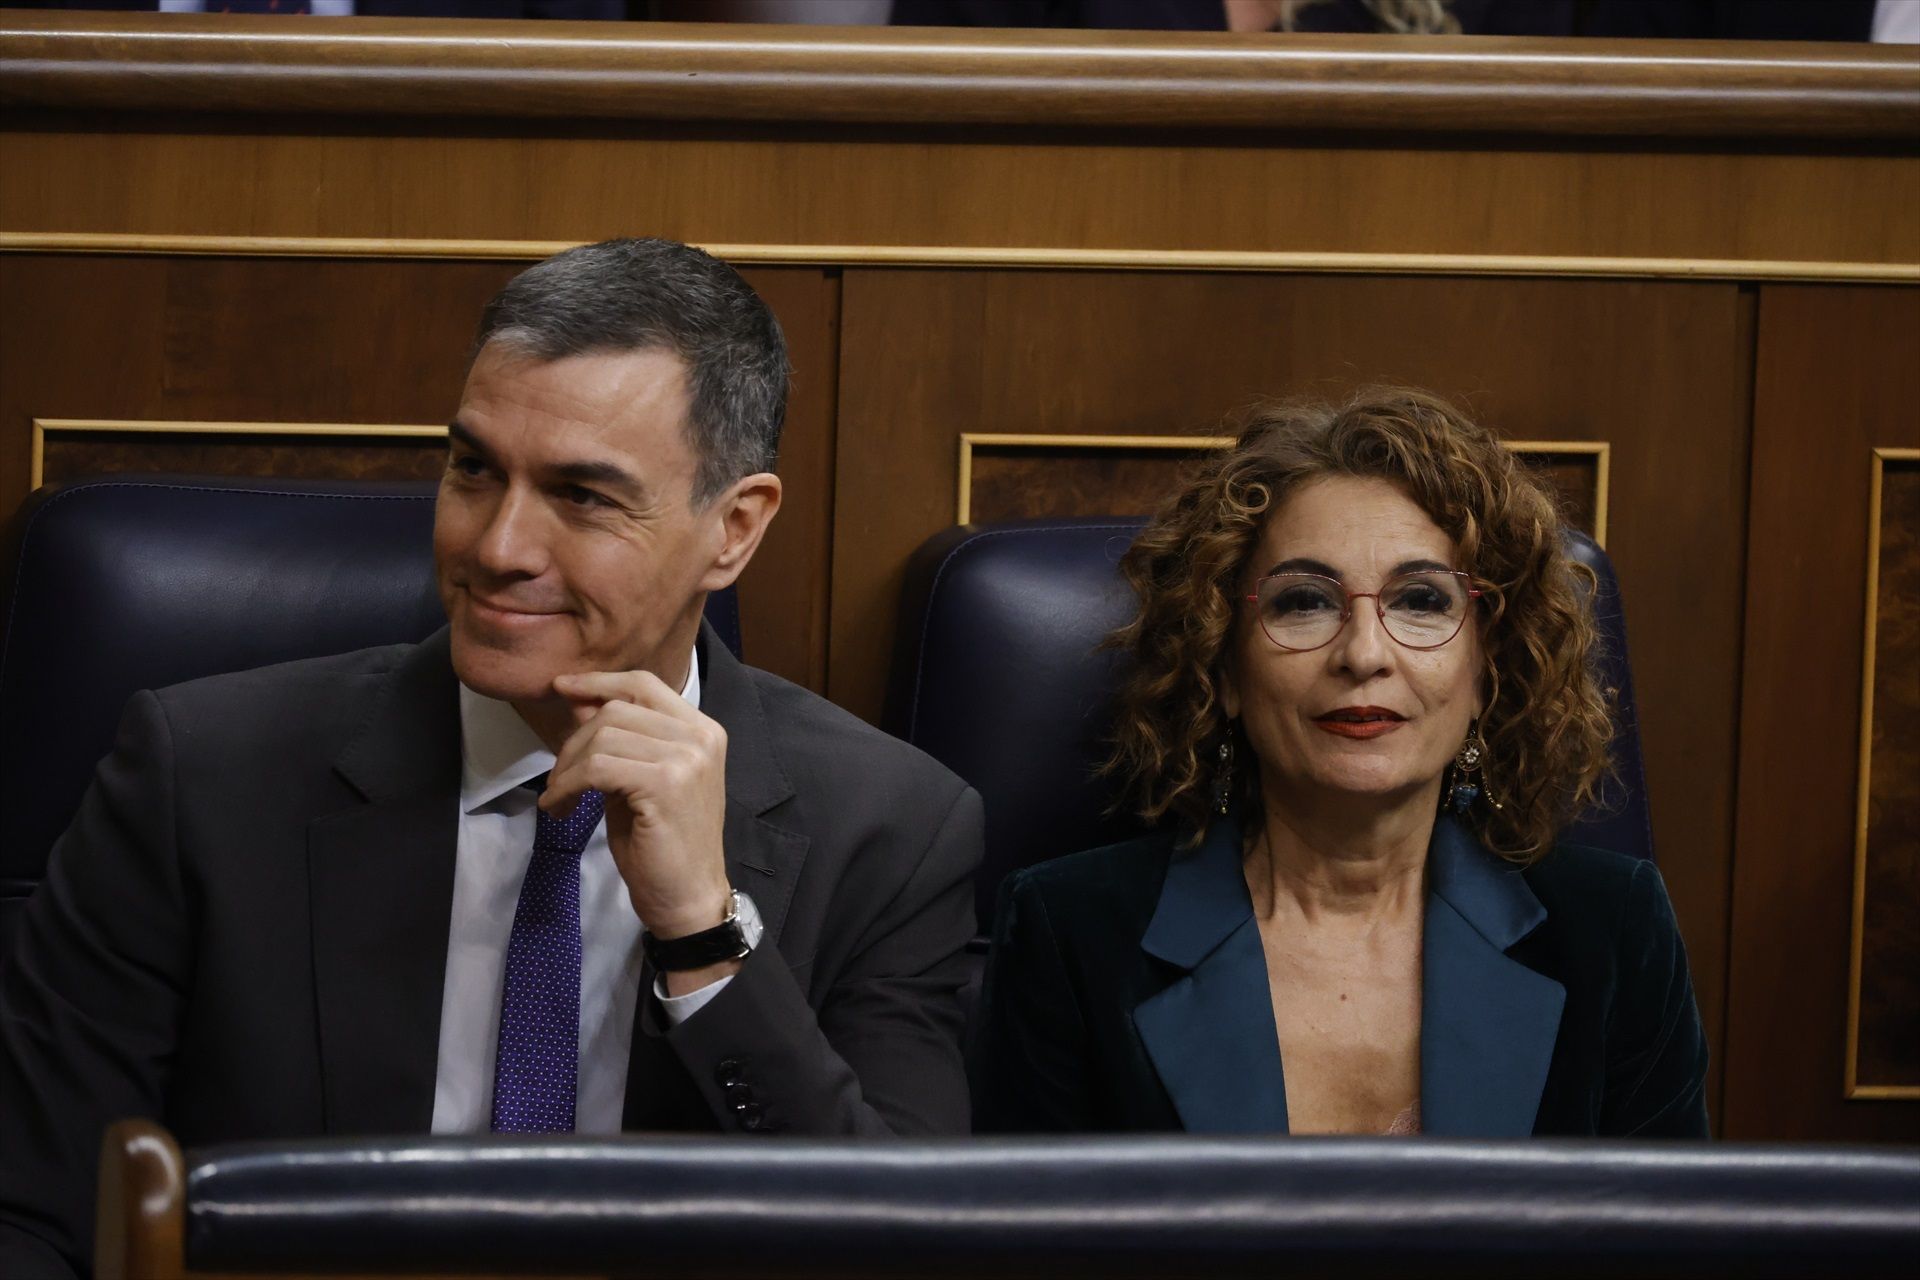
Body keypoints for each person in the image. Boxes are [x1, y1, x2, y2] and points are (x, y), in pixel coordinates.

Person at [0, 238, 983, 1280]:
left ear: (733, 529)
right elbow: (32, 1213)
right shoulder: (200, 778)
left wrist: (705, 932)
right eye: (474, 469)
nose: (498, 544)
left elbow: (905, 1248)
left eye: (583, 496)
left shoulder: (891, 828)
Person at [970, 388, 1708, 1137]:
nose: (1362, 654)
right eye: (1303, 603)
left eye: (1421, 599)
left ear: (1490, 665)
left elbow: (1670, 1251)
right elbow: (1036, 1253)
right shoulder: (1071, 935)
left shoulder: (1615, 934)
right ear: (1221, 665)